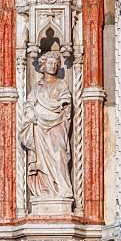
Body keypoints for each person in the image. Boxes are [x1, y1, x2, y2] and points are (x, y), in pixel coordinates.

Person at [20, 50, 73, 203]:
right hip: (39, 128)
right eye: (49, 63)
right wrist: (30, 113)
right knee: (42, 160)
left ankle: (63, 187)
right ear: (43, 65)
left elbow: (66, 99)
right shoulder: (37, 88)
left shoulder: (61, 84)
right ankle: (45, 189)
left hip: (57, 124)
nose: (53, 66)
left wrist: (62, 104)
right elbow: (29, 104)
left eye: (55, 63)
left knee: (59, 155)